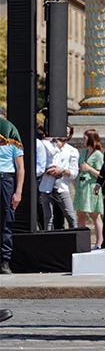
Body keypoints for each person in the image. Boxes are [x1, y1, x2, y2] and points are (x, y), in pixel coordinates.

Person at [0, 116, 22, 274]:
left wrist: (18, 191)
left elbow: (20, 167)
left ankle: (5, 260)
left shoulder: (13, 139)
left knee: (6, 222)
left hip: (5, 180)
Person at [74, 130, 104, 248]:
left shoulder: (98, 155)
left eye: (85, 137)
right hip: (82, 185)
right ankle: (81, 242)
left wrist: (89, 168)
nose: (83, 140)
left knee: (95, 214)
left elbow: (101, 174)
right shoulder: (83, 152)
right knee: (80, 214)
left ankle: (99, 242)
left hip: (92, 186)